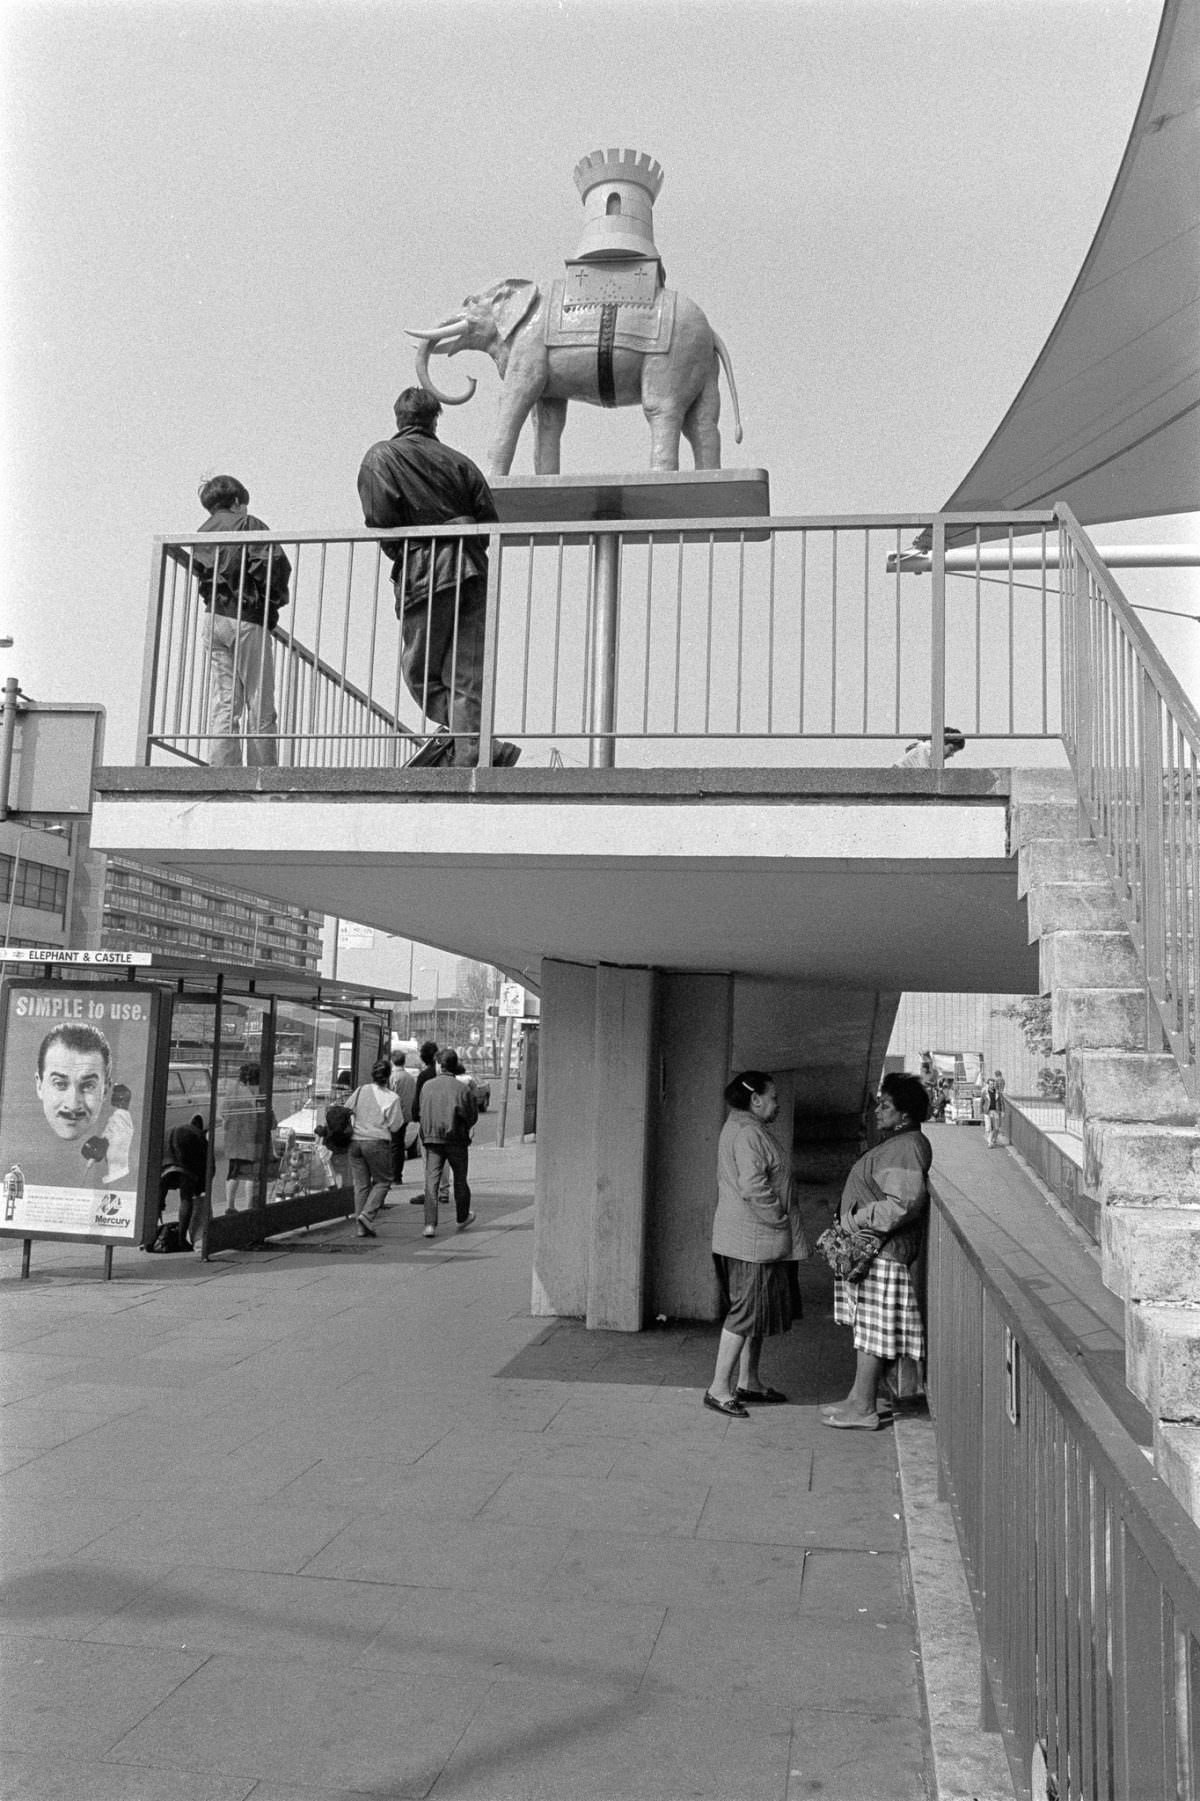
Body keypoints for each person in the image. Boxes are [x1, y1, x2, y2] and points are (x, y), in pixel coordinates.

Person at [357, 388, 519, 769]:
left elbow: (381, 520)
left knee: (418, 671)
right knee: (467, 673)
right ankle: (475, 748)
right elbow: (488, 523)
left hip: (425, 570)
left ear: (399, 418)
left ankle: (474, 743)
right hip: (473, 570)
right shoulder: (461, 463)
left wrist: (410, 550)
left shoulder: (381, 456)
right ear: (435, 420)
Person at [822, 1073, 932, 1431]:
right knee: (867, 1329)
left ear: (904, 1114)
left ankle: (865, 1408)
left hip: (883, 1252)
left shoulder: (906, 1146)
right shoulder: (900, 1143)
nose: (878, 1110)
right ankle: (858, 1398)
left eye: (886, 1105)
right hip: (875, 1253)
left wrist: (854, 1220)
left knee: (872, 1334)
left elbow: (901, 1205)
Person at [703, 1070, 801, 1419]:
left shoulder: (745, 1128)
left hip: (748, 1237)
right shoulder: (748, 1134)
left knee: (753, 1314)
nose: (776, 1103)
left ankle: (748, 1381)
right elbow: (754, 1187)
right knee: (745, 1313)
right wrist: (778, 1218)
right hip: (752, 1239)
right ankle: (719, 1388)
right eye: (772, 1097)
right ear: (755, 1099)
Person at [192, 475, 291, 768]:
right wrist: (270, 605)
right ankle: (262, 771)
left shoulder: (201, 533)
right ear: (237, 502)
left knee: (224, 701)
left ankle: (221, 771)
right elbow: (272, 566)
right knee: (259, 700)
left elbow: (202, 575)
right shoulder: (249, 525)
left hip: (213, 618)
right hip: (246, 617)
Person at [418, 1048, 478, 1238]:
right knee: (460, 1178)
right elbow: (471, 1116)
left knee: (432, 1180)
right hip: (456, 1140)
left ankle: (429, 1224)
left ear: (438, 1065)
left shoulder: (427, 1086)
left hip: (432, 1139)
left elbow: (421, 1111)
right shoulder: (462, 1089)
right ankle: (462, 1216)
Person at [346, 1058, 405, 1237]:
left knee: (361, 1185)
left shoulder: (360, 1090)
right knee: (383, 1181)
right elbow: (395, 1126)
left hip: (355, 1142)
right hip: (377, 1143)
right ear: (388, 1077)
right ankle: (367, 1214)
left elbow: (347, 1109)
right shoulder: (392, 1098)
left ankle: (360, 1227)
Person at [222, 1062, 277, 1214]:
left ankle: (230, 1206)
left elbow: (224, 1114)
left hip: (234, 1139)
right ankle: (249, 1208)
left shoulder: (233, 1091)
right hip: (253, 1139)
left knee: (233, 1173)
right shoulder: (259, 1093)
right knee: (252, 1175)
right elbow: (270, 1121)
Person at [159, 1112, 208, 1248]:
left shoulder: (172, 1129)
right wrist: (200, 1189)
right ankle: (181, 1239)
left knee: (159, 1197)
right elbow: (207, 1165)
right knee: (186, 1198)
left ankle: (150, 1239)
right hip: (185, 1163)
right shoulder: (198, 1135)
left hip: (164, 1162)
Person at [316, 1070, 355, 1190]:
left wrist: (319, 1137)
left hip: (331, 1148)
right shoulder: (351, 1108)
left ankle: (334, 1190)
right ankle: (345, 1192)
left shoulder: (331, 1107)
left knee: (331, 1174)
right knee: (346, 1176)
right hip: (345, 1149)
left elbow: (322, 1128)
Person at [388, 1050, 417, 1184]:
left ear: (392, 1061)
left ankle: (392, 1175)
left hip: (393, 1116)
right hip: (405, 1116)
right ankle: (398, 1175)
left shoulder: (393, 1077)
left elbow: (390, 1096)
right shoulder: (410, 1078)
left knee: (393, 1146)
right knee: (399, 1146)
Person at [894, 727, 966, 768]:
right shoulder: (924, 749)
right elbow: (924, 775)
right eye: (951, 749)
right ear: (941, 742)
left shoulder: (929, 752)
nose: (951, 754)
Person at [982, 1069, 1006, 1148]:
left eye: (993, 1084)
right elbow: (982, 1102)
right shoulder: (985, 1092)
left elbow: (1001, 1102)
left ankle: (993, 1139)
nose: (992, 1085)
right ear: (988, 1085)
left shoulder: (997, 1092)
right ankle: (990, 1142)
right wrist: (982, 1110)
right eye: (991, 1084)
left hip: (995, 1111)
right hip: (988, 1112)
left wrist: (1002, 1110)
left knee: (996, 1128)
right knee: (989, 1128)